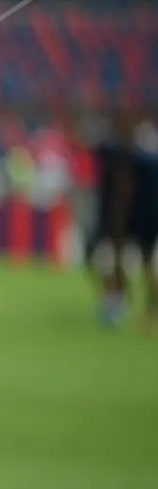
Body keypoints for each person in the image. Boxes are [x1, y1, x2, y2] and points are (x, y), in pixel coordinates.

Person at [88, 108, 158, 329]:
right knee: (114, 259)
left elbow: (124, 188)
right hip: (134, 216)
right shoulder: (123, 151)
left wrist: (117, 217)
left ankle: (128, 303)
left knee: (141, 261)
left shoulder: (134, 155)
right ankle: (122, 299)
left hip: (136, 216)